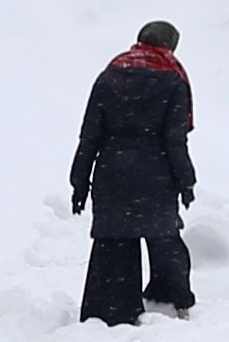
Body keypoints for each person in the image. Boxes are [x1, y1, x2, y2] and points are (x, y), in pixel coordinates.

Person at [71, 20, 199, 325]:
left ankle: (110, 310)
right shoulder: (172, 79)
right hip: (155, 173)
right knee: (164, 238)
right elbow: (175, 139)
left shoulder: (110, 75)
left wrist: (80, 182)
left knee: (114, 242)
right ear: (169, 45)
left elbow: (90, 135)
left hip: (111, 172)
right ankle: (170, 297)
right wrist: (186, 180)